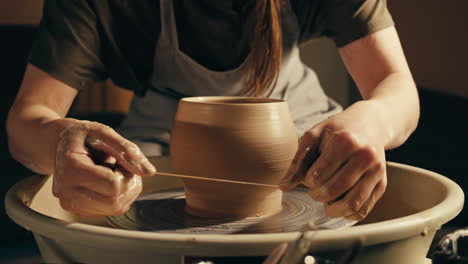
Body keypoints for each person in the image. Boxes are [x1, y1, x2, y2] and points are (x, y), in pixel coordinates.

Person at [7, 0, 419, 221]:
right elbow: (28, 119)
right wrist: (63, 142)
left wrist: (373, 120)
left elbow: (395, 86)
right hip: (157, 156)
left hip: (304, 151)